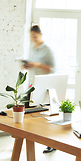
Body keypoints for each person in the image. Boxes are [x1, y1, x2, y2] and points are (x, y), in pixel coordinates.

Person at [24, 25, 56, 153]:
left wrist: (38, 64)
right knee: (27, 110)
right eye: (31, 37)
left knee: (45, 115)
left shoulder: (47, 50)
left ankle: (51, 143)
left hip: (44, 86)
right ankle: (27, 138)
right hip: (32, 84)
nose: (33, 39)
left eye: (35, 36)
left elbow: (52, 69)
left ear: (40, 35)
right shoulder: (32, 49)